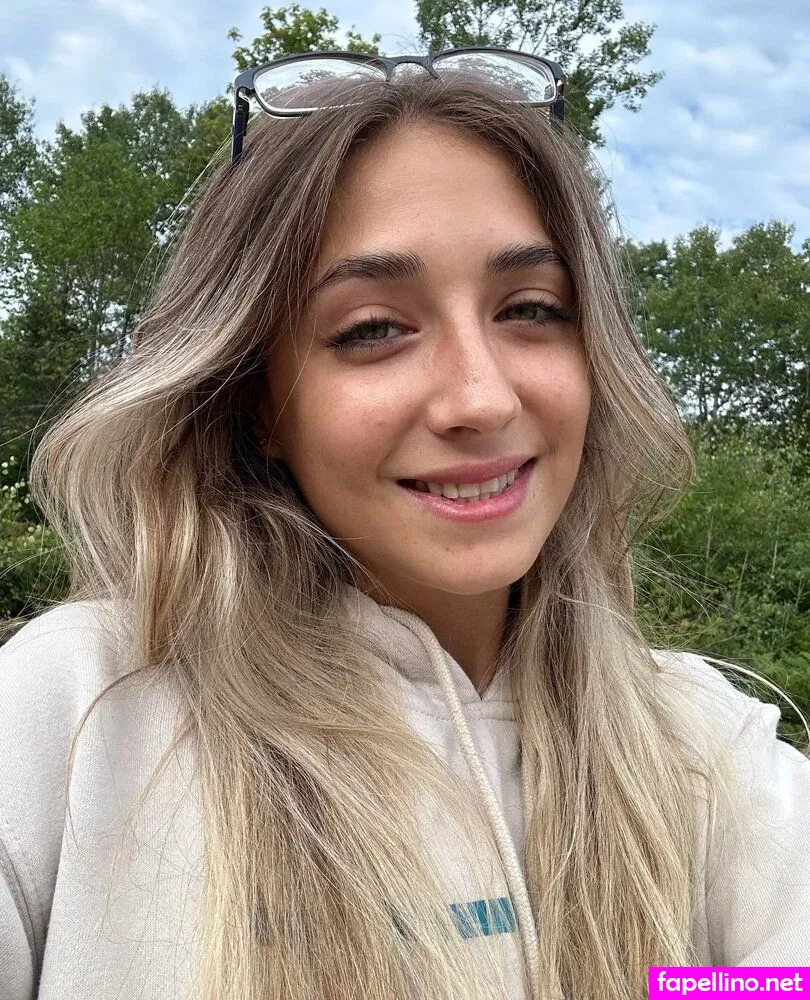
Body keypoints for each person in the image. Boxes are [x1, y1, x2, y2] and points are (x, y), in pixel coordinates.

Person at [0, 52, 808, 1000]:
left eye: (532, 310)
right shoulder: (73, 714)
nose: (481, 397)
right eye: (373, 329)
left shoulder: (707, 755)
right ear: (256, 402)